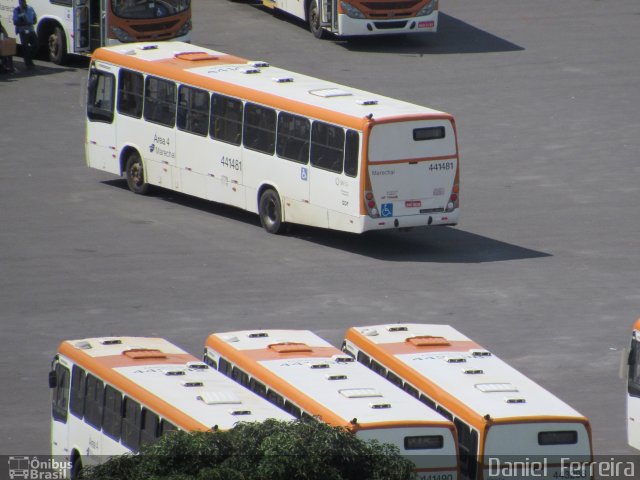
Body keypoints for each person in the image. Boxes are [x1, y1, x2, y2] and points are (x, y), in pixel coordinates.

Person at [12, 0, 38, 69]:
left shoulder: (30, 8)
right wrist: (24, 23)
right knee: (25, 47)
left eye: (22, 2)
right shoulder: (17, 10)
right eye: (20, 3)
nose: (21, 4)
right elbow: (15, 22)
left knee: (36, 45)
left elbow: (35, 19)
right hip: (22, 31)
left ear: (25, 2)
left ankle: (29, 59)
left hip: (31, 30)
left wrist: (33, 22)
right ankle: (28, 63)